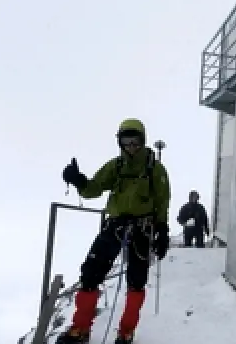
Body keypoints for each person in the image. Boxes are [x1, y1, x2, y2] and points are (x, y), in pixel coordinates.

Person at [56, 118, 170, 344]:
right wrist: (79, 180)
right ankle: (80, 329)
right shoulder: (115, 166)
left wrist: (162, 229)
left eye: (135, 141)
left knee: (136, 281)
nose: (131, 146)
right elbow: (93, 189)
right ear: (119, 142)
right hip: (115, 225)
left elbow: (162, 200)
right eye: (126, 141)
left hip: (142, 227)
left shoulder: (154, 169)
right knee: (90, 273)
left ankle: (126, 332)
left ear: (143, 141)